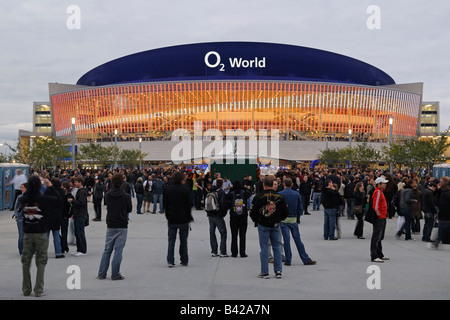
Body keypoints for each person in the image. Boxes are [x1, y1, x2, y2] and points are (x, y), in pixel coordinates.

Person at [19, 175, 57, 297]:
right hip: (40, 233)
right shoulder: (42, 199)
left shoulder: (23, 199)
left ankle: (26, 289)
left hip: (27, 234)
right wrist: (51, 187)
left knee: (26, 262)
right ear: (39, 186)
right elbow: (57, 199)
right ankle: (39, 289)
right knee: (41, 261)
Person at [250, 176, 289, 279]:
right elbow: (286, 211)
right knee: (277, 247)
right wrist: (279, 218)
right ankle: (278, 271)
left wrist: (257, 220)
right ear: (273, 185)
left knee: (264, 248)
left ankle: (265, 271)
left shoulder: (258, 197)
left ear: (264, 184)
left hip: (263, 224)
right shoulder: (280, 197)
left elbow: (252, 211)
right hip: (275, 224)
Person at [97, 173, 132, 280]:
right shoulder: (126, 196)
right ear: (122, 183)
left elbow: (106, 204)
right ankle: (115, 273)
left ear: (112, 183)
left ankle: (102, 273)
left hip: (111, 223)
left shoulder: (108, 195)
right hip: (121, 224)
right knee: (118, 250)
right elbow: (129, 209)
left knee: (107, 249)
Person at [279, 178, 316, 266]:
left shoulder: (280, 194)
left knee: (286, 240)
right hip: (293, 219)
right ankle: (305, 258)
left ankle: (288, 260)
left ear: (284, 184)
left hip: (284, 219)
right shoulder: (296, 194)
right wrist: (297, 216)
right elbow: (300, 207)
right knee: (297, 239)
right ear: (292, 185)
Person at [163, 171, 193, 267]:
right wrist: (189, 216)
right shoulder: (186, 190)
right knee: (183, 240)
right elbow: (189, 205)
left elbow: (165, 205)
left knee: (171, 240)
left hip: (172, 217)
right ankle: (184, 259)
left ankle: (170, 260)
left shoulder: (167, 190)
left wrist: (167, 215)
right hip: (183, 218)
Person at [206, 178, 229, 257]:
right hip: (218, 214)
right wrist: (223, 214)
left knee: (212, 233)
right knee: (223, 233)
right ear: (222, 184)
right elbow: (223, 203)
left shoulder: (211, 191)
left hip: (210, 214)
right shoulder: (221, 192)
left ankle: (214, 251)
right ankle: (223, 251)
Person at [229, 180, 251, 258]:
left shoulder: (231, 194)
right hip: (243, 217)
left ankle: (234, 252)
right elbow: (249, 203)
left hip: (233, 217)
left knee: (234, 235)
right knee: (242, 235)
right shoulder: (246, 193)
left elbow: (228, 205)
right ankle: (242, 252)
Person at [44, 178, 65, 259]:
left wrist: (50, 187)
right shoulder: (61, 191)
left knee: (46, 235)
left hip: (48, 215)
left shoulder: (48, 191)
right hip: (57, 215)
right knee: (56, 234)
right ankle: (58, 252)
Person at [370, 177, 389, 263]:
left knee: (379, 237)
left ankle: (379, 254)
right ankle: (374, 255)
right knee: (376, 236)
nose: (385, 184)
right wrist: (380, 215)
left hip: (382, 216)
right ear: (379, 184)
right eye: (384, 183)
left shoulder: (379, 191)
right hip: (380, 217)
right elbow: (375, 206)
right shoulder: (378, 192)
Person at [68, 176, 88, 256]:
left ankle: (83, 250)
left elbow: (81, 203)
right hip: (77, 214)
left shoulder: (82, 192)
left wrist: (72, 201)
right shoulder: (80, 191)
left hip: (81, 214)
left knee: (80, 232)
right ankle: (79, 249)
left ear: (80, 182)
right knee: (77, 232)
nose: (74, 183)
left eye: (76, 182)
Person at [430, 178, 450, 249]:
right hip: (444, 215)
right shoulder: (442, 191)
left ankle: (436, 243)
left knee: (441, 230)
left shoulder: (444, 192)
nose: (440, 182)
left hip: (444, 215)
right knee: (441, 230)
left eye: (441, 181)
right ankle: (436, 243)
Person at [13, 182, 28, 256]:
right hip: (21, 218)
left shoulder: (31, 197)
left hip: (29, 218)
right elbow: (16, 208)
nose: (21, 189)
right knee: (21, 236)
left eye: (22, 187)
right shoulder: (19, 197)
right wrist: (17, 217)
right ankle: (21, 251)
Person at [60, 181, 73, 254]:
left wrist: (69, 215)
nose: (62, 188)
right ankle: (63, 244)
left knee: (64, 232)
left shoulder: (69, 196)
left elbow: (72, 207)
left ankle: (64, 246)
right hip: (59, 216)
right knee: (56, 232)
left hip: (65, 217)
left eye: (63, 187)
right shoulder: (60, 195)